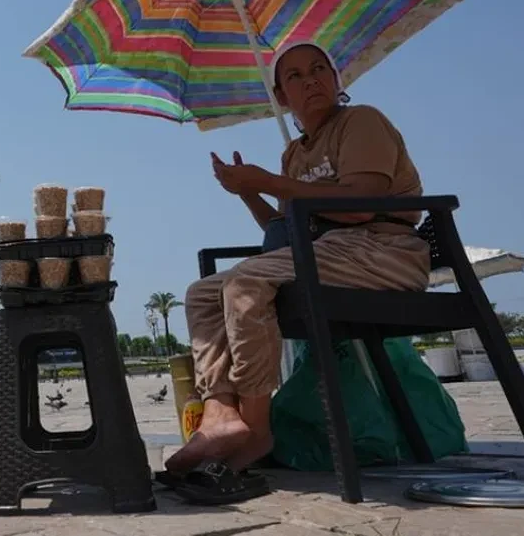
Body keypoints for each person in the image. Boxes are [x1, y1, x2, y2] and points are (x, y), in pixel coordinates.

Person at [163, 41, 431, 498]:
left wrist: (267, 181)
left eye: (318, 69)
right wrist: (247, 191)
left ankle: (256, 429)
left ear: (335, 79)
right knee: (203, 292)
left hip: (382, 251)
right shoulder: (295, 155)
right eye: (295, 76)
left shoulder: (361, 121)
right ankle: (221, 414)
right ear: (282, 97)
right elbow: (283, 228)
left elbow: (361, 206)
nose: (310, 80)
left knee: (247, 282)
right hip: (324, 253)